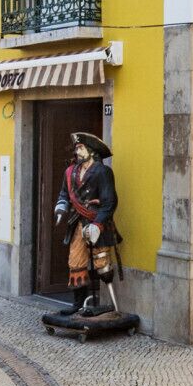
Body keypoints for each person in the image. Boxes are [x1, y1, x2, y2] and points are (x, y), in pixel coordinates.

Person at [55, 131, 123, 314]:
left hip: (97, 223)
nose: (77, 152)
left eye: (81, 148)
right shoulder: (70, 172)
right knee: (75, 261)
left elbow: (110, 201)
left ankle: (114, 306)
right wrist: (61, 208)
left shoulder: (103, 171)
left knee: (102, 263)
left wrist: (98, 224)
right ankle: (78, 305)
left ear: (91, 150)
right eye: (76, 148)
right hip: (77, 223)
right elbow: (64, 194)